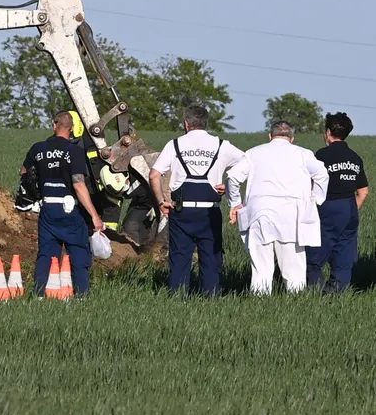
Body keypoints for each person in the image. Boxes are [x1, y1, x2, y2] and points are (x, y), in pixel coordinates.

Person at [148, 104, 245, 296]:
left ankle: (177, 298)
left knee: (179, 259)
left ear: (186, 123)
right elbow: (247, 162)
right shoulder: (221, 145)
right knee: (211, 259)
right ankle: (211, 299)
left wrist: (161, 203)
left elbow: (154, 175)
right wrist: (228, 183)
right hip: (210, 212)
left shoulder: (175, 144)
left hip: (181, 211)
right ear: (205, 123)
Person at [225, 121, 329, 294]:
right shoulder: (304, 154)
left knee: (260, 267)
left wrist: (236, 204)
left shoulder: (253, 153)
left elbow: (233, 178)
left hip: (259, 212)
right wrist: (315, 200)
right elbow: (322, 175)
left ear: (270, 136)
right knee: (293, 266)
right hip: (292, 214)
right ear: (292, 138)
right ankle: (297, 302)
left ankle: (259, 303)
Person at [19, 111, 105, 296]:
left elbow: (24, 172)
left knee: (46, 255)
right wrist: (94, 215)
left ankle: (39, 295)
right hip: (70, 210)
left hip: (48, 208)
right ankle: (82, 296)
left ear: (54, 125)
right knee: (79, 254)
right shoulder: (74, 151)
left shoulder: (38, 149)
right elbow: (79, 184)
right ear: (72, 129)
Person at [307, 112, 368, 292]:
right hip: (350, 208)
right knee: (344, 258)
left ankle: (315, 295)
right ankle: (337, 295)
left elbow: (310, 184)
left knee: (314, 258)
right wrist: (350, 210)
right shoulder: (355, 157)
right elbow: (363, 192)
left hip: (328, 207)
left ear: (327, 132)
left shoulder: (321, 155)